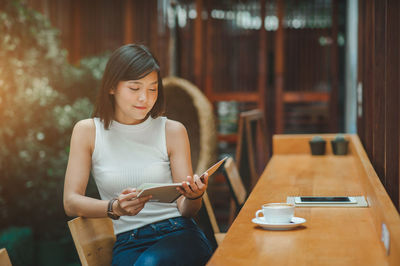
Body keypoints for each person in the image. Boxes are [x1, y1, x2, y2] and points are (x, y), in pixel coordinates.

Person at [63, 44, 213, 266]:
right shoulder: (87, 132)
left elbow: (187, 210)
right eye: (135, 88)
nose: (145, 98)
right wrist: (114, 207)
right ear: (112, 87)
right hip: (127, 242)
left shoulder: (172, 131)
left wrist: (194, 195)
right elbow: (70, 201)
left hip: (178, 234)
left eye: (153, 89)